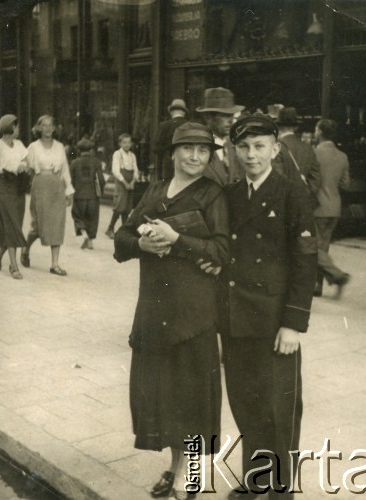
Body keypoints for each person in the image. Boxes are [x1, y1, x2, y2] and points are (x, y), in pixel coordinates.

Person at [114, 122, 229, 500]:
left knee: (192, 398)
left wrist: (178, 238)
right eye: (188, 149)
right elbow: (121, 238)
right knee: (166, 398)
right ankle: (174, 468)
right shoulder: (155, 190)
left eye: (203, 151)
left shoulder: (213, 194)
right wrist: (142, 246)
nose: (195, 157)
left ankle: (190, 477)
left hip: (193, 313)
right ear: (174, 153)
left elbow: (221, 252)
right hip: (154, 309)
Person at [215, 115, 317, 499]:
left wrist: (294, 323)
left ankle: (280, 492)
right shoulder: (230, 193)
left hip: (276, 323)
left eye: (259, 146)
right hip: (237, 318)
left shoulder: (292, 192)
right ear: (234, 150)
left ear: (275, 149)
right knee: (246, 404)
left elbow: (305, 259)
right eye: (244, 147)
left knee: (279, 411)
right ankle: (257, 482)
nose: (251, 154)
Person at [21, 115, 74, 276]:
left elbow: (65, 169)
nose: (47, 129)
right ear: (38, 128)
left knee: (57, 224)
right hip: (40, 187)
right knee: (38, 226)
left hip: (57, 187)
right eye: (44, 126)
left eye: (50, 125)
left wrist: (69, 191)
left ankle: (55, 264)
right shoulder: (33, 147)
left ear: (54, 128)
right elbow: (25, 167)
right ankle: (25, 248)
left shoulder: (59, 147)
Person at [313, 119, 351, 297]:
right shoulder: (342, 156)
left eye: (315, 129)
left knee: (313, 246)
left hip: (317, 207)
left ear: (320, 132)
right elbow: (345, 184)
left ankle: (338, 276)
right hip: (334, 207)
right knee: (323, 246)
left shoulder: (314, 154)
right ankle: (317, 285)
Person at [0, 114, 29, 279]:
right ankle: (13, 266)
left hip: (18, 185)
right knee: (12, 223)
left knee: (15, 223)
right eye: (16, 126)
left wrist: (24, 166)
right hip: (2, 186)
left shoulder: (20, 144)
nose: (18, 129)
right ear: (10, 127)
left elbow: (27, 161)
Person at [196, 87, 245, 186]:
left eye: (232, 115)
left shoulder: (232, 144)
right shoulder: (196, 146)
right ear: (208, 117)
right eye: (225, 115)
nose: (231, 120)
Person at [273, 107, 321, 202]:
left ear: (278, 127)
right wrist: (306, 193)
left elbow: (278, 178)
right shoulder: (308, 148)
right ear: (296, 127)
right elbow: (316, 177)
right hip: (303, 203)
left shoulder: (276, 147)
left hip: (284, 204)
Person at [70, 138, 106, 250]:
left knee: (78, 216)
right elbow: (101, 179)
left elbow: (70, 180)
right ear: (91, 149)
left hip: (79, 195)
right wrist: (101, 191)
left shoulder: (74, 163)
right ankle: (90, 241)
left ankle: (84, 234)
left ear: (79, 150)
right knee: (92, 218)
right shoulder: (96, 162)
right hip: (93, 195)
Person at [105, 133, 139, 239]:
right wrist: (124, 182)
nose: (127, 144)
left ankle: (124, 230)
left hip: (130, 181)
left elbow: (136, 170)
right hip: (121, 181)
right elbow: (115, 170)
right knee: (120, 205)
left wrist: (133, 181)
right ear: (120, 143)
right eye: (124, 142)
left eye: (129, 142)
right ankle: (110, 228)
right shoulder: (117, 154)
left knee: (128, 207)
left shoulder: (132, 155)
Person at [153, 98, 188, 180]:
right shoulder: (189, 125)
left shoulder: (164, 125)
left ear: (172, 112)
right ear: (184, 112)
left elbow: (157, 149)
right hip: (186, 164)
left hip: (168, 165)